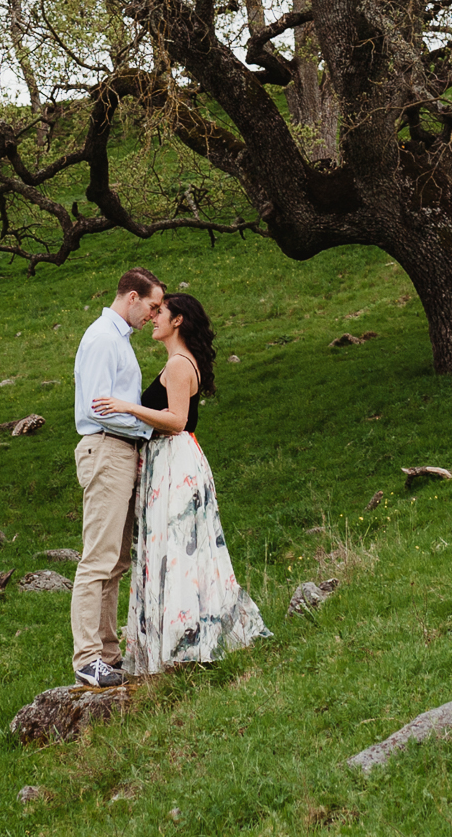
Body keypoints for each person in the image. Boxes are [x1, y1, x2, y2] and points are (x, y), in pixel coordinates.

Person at [90, 290, 270, 677]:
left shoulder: (177, 364)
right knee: (181, 548)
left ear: (178, 321)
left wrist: (127, 406)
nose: (153, 317)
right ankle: (182, 641)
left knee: (177, 549)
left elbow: (175, 419)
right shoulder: (179, 362)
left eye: (161, 313)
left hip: (174, 459)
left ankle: (183, 645)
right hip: (172, 458)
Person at [69, 266, 162, 688]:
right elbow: (94, 409)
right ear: (131, 297)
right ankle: (87, 658)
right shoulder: (103, 339)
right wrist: (146, 427)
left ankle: (108, 652)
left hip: (120, 451)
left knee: (117, 560)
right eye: (152, 306)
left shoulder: (119, 340)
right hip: (105, 448)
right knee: (98, 558)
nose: (154, 315)